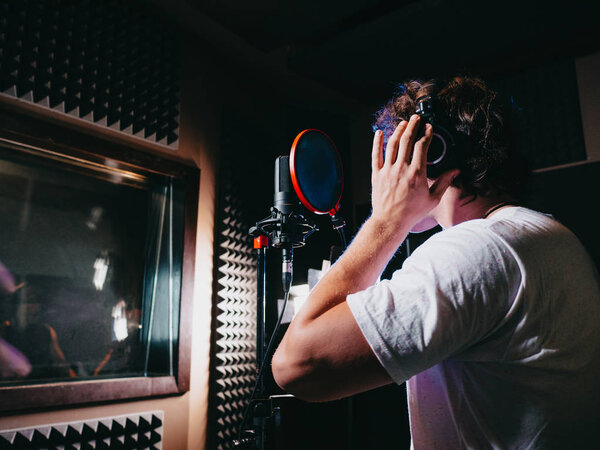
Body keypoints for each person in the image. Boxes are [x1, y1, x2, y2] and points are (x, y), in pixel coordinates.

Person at [271, 76, 600, 448]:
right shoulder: (547, 236)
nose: (385, 172)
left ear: (432, 154)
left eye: (397, 153)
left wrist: (386, 221)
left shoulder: (478, 250)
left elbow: (295, 366)